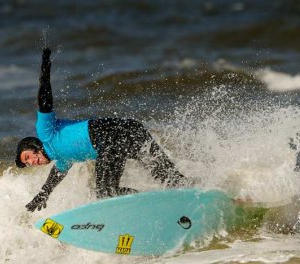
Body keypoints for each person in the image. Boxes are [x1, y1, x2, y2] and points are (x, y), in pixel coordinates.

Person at [16, 48, 189, 211]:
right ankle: (204, 189)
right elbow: (57, 174)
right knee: (170, 179)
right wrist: (43, 194)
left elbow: (45, 104)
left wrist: (44, 75)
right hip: (130, 130)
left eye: (27, 156)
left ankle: (150, 206)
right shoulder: (62, 159)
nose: (31, 162)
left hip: (110, 136)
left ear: (34, 146)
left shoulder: (46, 135)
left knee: (106, 193)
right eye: (27, 163)